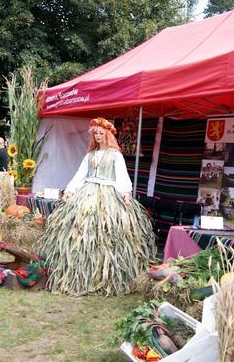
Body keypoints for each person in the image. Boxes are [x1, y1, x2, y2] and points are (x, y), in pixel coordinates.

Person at [38, 117, 156, 296]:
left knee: (108, 228)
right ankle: (76, 268)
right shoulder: (90, 155)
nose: (98, 136)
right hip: (88, 191)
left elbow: (122, 175)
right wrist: (70, 190)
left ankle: (108, 271)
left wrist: (125, 191)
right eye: (96, 133)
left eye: (101, 133)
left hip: (108, 193)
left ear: (107, 134)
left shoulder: (115, 155)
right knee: (81, 223)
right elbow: (80, 174)